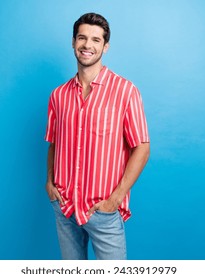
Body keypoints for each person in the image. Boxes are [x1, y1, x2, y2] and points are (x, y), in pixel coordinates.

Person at [44, 12, 150, 260]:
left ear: (105, 46)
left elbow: (142, 148)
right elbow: (53, 143)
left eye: (95, 40)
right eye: (82, 38)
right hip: (65, 208)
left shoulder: (125, 91)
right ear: (73, 42)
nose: (87, 45)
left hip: (102, 211)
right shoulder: (58, 95)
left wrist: (115, 199)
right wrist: (50, 183)